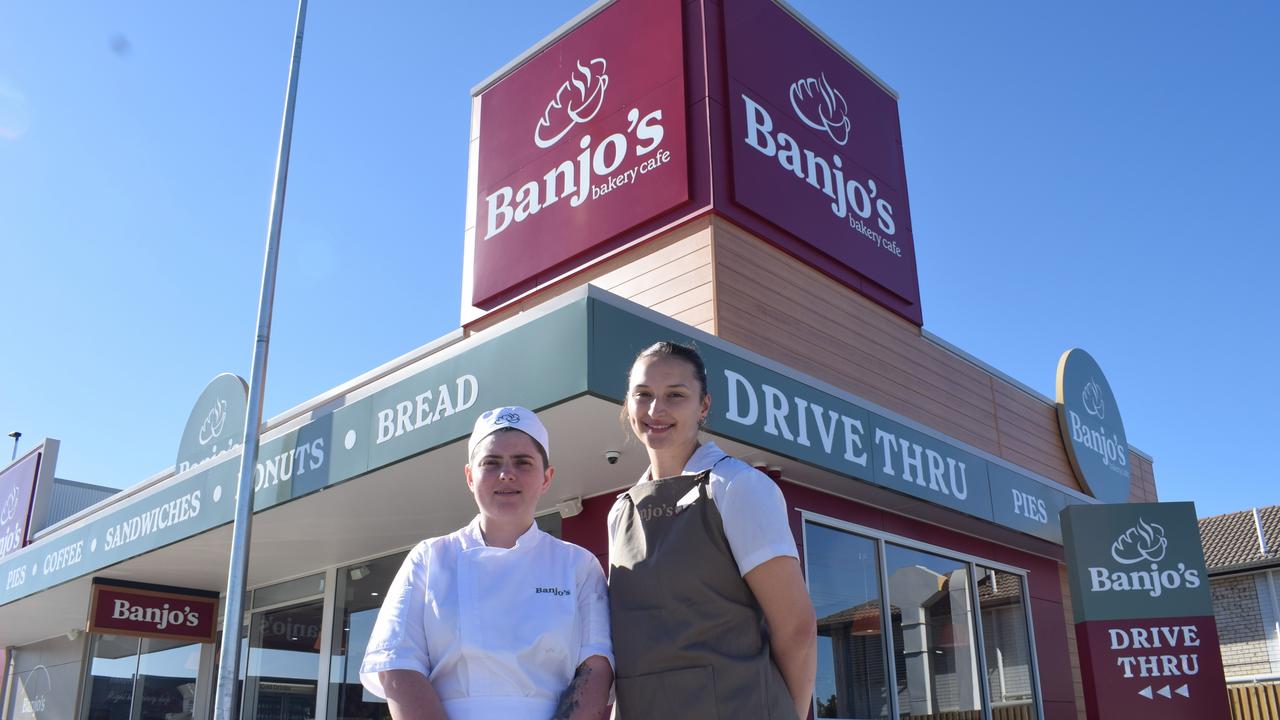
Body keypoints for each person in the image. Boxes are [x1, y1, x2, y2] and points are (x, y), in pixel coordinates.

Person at [360, 406, 613, 720]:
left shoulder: (579, 565)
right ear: (469, 476)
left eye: (523, 462)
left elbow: (597, 668)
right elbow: (397, 666)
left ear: (546, 478)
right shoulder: (429, 558)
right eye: (491, 463)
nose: (507, 474)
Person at [608, 342, 817, 719]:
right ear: (628, 404)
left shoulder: (737, 487)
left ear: (703, 406)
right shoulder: (620, 512)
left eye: (675, 395)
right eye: (644, 395)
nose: (656, 410)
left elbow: (797, 630)